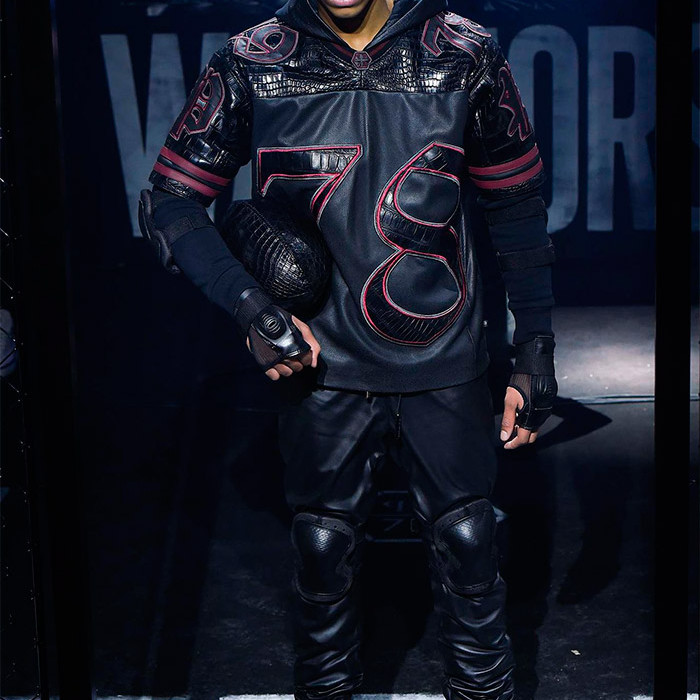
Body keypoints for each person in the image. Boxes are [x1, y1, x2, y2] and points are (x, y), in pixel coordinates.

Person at [139, 0, 557, 697]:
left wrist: (534, 345)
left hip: (444, 354)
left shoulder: (465, 54)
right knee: (322, 553)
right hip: (318, 362)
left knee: (470, 546)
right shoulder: (252, 60)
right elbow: (170, 202)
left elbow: (514, 202)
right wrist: (251, 308)